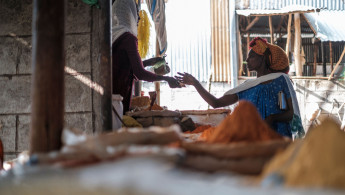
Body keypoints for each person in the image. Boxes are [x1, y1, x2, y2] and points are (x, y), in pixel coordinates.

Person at [175, 37, 304, 139]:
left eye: (251, 56)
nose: (247, 60)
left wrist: (272, 118)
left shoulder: (281, 79)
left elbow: (291, 113)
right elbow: (216, 103)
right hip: (254, 140)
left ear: (263, 58)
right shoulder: (246, 87)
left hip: (279, 139)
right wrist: (196, 83)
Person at [112, 0, 181, 114]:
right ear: (128, 13)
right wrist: (167, 79)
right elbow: (139, 73)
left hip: (108, 97)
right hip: (119, 97)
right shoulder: (128, 38)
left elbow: (125, 67)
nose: (138, 19)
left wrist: (150, 62)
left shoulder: (111, 35)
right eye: (136, 13)